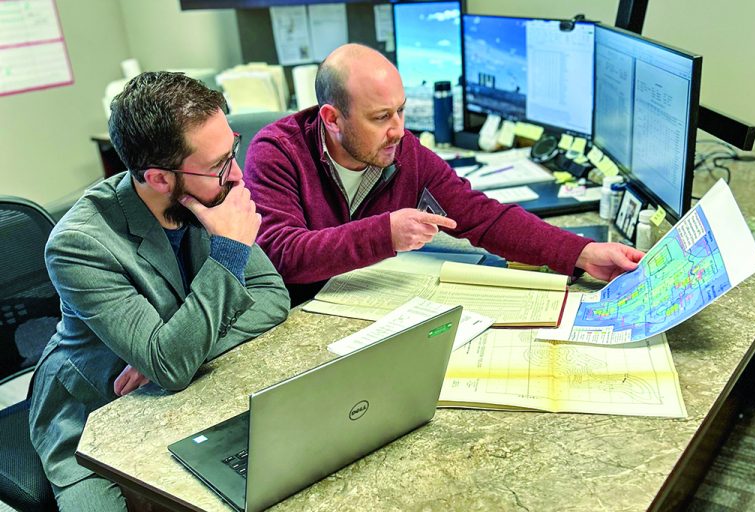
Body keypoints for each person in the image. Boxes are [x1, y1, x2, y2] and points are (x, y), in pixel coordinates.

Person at [29, 72, 290, 511]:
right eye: (219, 166)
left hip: (185, 390)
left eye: (233, 152)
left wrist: (182, 352)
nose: (238, 175)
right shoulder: (79, 244)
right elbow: (171, 362)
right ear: (160, 178)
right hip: (93, 411)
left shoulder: (211, 195)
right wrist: (227, 254)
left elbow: (271, 295)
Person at [244, 44, 643, 305]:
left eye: (400, 110)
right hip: (301, 323)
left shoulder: (403, 151)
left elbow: (481, 216)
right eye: (381, 117)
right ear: (332, 118)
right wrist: (385, 233)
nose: (398, 129)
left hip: (367, 309)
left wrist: (582, 253)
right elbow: (282, 255)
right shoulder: (278, 151)